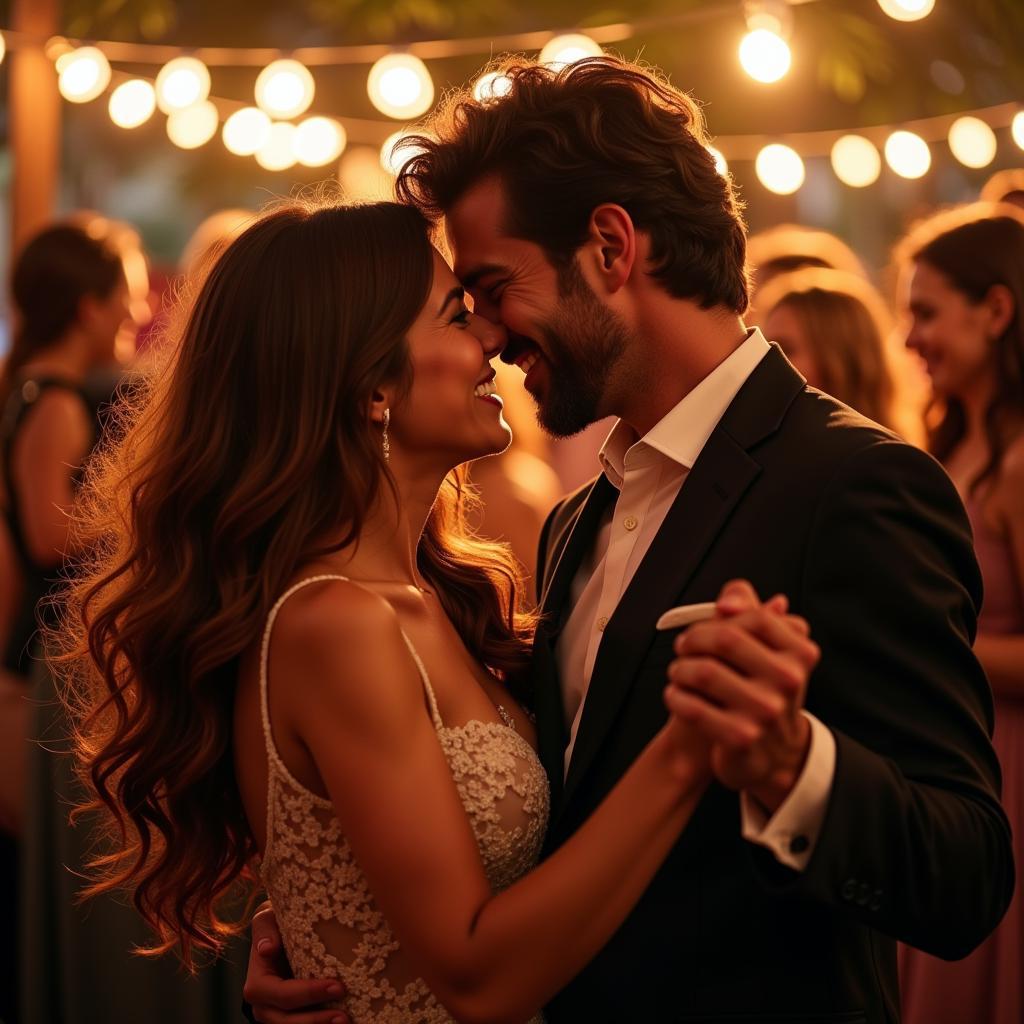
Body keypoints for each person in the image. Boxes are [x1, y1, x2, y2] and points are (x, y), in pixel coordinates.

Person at [247, 56, 1013, 1024]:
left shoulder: (855, 485)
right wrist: (341, 928)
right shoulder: (579, 518)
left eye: (491, 286)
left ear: (610, 247)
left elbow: (965, 871)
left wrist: (794, 766)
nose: (486, 332)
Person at [57, 197, 817, 1024]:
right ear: (371, 383)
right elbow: (476, 974)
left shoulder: (426, 597)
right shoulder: (334, 623)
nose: (493, 336)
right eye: (459, 313)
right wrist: (692, 743)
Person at [895, 202, 1024, 1024]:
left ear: (998, 309)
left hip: (1013, 761)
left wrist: (926, 648)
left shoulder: (1018, 463)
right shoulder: (951, 446)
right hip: (958, 743)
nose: (908, 340)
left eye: (926, 313)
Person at [757, 265, 926, 443]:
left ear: (840, 361)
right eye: (766, 347)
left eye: (785, 349)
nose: (768, 360)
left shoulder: (883, 460)